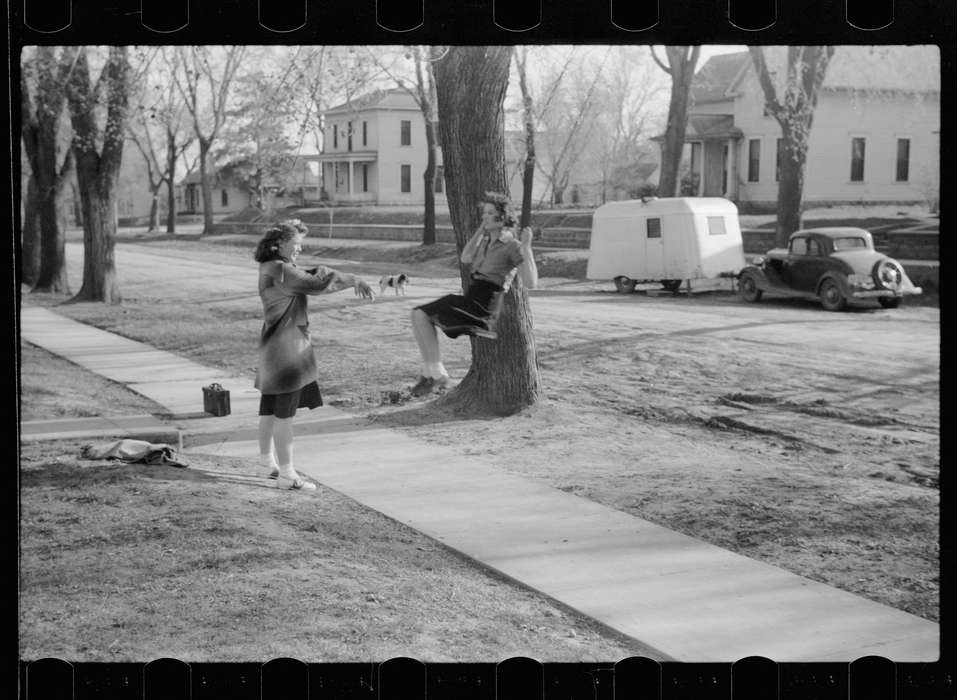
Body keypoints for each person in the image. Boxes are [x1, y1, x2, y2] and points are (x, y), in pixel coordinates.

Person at [254, 220, 376, 490]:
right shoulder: (281, 270)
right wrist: (354, 279)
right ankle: (287, 475)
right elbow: (316, 283)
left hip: (271, 349)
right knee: (284, 416)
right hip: (287, 352)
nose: (300, 248)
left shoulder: (272, 267)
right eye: (296, 244)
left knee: (270, 411)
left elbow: (308, 274)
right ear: (279, 244)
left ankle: (267, 463)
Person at [409, 191, 538, 396]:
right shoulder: (486, 242)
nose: (484, 216)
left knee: (421, 314)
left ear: (502, 218)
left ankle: (438, 374)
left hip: (484, 306)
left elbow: (531, 282)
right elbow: (466, 258)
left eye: (489, 213)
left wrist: (527, 247)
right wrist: (481, 230)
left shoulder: (512, 246)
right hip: (471, 299)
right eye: (483, 213)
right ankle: (430, 372)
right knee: (417, 314)